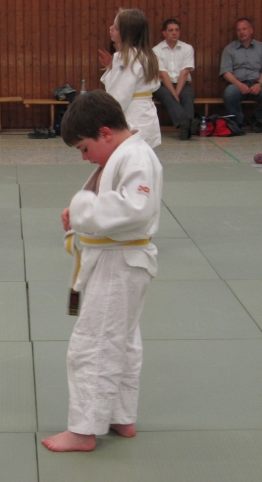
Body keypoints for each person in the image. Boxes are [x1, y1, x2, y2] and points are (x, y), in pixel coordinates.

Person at [42, 90, 162, 453]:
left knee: (92, 345)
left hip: (119, 264)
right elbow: (114, 201)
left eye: (84, 148)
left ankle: (84, 430)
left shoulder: (136, 156)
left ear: (105, 133)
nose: (84, 157)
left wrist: (82, 209)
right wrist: (79, 213)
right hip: (119, 260)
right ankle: (120, 415)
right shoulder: (126, 154)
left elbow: (135, 209)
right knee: (121, 341)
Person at [98, 9, 161, 148]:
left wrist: (107, 117)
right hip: (146, 114)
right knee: (143, 155)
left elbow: (120, 93)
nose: (110, 28)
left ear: (126, 33)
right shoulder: (148, 55)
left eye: (116, 27)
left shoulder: (126, 57)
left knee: (128, 156)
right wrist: (112, 68)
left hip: (132, 116)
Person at [220, 18, 262, 132]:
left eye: (244, 29)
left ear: (251, 30)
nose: (241, 32)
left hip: (256, 84)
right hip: (237, 85)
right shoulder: (229, 49)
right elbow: (226, 72)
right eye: (238, 30)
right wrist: (239, 85)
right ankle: (239, 122)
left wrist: (259, 84)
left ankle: (258, 119)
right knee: (229, 93)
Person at [152, 19, 196, 140]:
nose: (174, 33)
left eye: (177, 30)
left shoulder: (187, 48)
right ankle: (187, 122)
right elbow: (163, 74)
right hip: (163, 85)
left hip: (182, 83)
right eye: (171, 30)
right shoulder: (156, 50)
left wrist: (177, 92)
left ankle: (185, 128)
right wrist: (174, 93)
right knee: (167, 95)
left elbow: (185, 72)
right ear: (164, 33)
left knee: (188, 95)